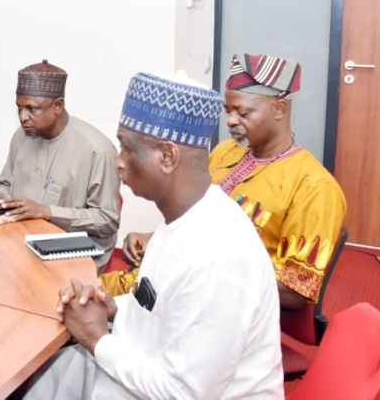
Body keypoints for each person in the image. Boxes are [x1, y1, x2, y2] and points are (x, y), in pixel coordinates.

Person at [20, 71, 282, 400]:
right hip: (144, 367)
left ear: (167, 156)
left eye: (127, 148)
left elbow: (182, 393)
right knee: (39, 377)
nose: (118, 162)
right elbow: (156, 306)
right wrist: (114, 307)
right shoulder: (182, 220)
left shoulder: (216, 257)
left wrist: (98, 339)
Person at [101, 54, 347, 310]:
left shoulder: (314, 187)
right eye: (228, 111)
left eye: (243, 112)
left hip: (206, 302)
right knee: (74, 296)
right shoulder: (225, 152)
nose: (230, 121)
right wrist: (154, 238)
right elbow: (192, 221)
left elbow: (295, 291)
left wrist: (191, 264)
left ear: (279, 109)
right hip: (156, 280)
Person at [0, 60, 121, 272]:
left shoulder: (97, 151)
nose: (23, 117)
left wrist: (48, 212)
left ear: (58, 105)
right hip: (20, 241)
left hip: (72, 255)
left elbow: (106, 220)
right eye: (19, 107)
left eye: (32, 108)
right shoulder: (22, 136)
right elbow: (7, 184)